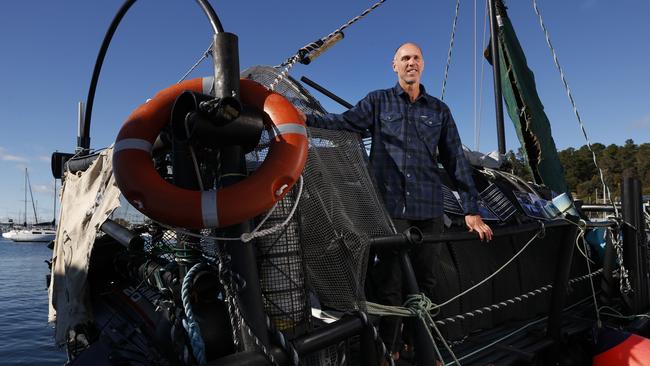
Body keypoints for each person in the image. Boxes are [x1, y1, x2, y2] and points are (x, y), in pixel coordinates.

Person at [300, 42, 493, 360]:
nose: (411, 63)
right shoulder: (378, 102)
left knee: (425, 282)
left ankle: (420, 346)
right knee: (389, 282)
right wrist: (305, 118)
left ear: (423, 64)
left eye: (416, 57)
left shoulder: (439, 111)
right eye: (405, 58)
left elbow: (455, 161)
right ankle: (387, 351)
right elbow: (345, 123)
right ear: (395, 65)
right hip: (390, 211)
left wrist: (471, 211)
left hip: (429, 209)